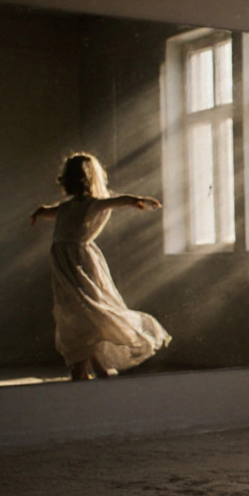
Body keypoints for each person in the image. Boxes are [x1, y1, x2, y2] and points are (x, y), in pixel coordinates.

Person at [30, 152, 171, 381]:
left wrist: (136, 200)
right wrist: (40, 211)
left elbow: (116, 201)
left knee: (86, 310)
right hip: (65, 265)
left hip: (79, 263)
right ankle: (99, 369)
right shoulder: (67, 208)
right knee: (77, 312)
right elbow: (51, 211)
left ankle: (83, 370)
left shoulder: (91, 205)